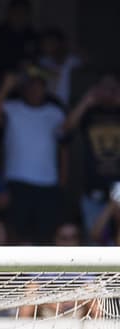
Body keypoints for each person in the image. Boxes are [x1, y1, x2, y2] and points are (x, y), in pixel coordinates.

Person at [0, 69, 66, 244]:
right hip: (17, 180)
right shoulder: (11, 108)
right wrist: (5, 88)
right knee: (16, 233)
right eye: (31, 85)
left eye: (39, 86)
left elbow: (65, 142)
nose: (35, 90)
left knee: (45, 234)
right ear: (24, 88)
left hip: (47, 183)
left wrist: (63, 179)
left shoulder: (55, 112)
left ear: (45, 89)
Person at [64, 75, 120, 235]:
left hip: (119, 186)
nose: (109, 92)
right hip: (93, 186)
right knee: (95, 239)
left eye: (113, 88)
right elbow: (66, 128)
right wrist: (86, 101)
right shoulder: (89, 112)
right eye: (105, 87)